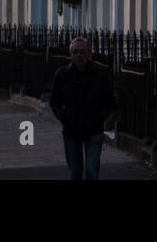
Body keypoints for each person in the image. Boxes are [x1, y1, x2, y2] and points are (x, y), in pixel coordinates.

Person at [49, 37, 115, 180]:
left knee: (91, 169)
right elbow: (54, 101)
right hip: (72, 130)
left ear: (89, 54)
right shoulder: (62, 74)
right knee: (75, 172)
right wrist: (63, 117)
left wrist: (100, 118)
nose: (79, 55)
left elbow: (109, 101)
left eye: (82, 52)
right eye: (75, 52)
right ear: (71, 54)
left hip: (94, 129)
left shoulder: (99, 73)